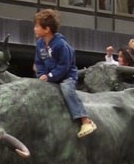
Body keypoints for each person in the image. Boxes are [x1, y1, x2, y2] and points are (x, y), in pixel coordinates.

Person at [33, 8, 97, 138]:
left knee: (67, 90)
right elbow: (38, 62)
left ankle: (85, 120)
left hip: (66, 77)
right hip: (49, 77)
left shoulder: (61, 45)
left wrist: (50, 76)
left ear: (47, 29)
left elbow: (64, 66)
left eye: (37, 26)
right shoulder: (40, 44)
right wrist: (41, 75)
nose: (34, 28)